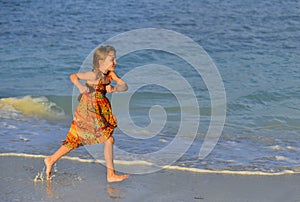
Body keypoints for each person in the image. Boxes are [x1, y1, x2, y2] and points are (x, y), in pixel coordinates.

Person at [44, 45, 129, 183]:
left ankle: (51, 159)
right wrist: (81, 86)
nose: (115, 62)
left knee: (74, 140)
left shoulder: (111, 75)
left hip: (99, 110)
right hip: (88, 111)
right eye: (112, 59)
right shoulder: (94, 75)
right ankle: (110, 175)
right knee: (109, 140)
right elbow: (73, 76)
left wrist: (115, 88)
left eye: (115, 59)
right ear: (101, 63)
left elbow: (125, 86)